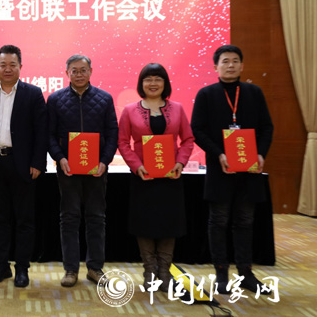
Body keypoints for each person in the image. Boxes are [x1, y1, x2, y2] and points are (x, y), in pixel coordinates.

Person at [191, 45, 273, 294]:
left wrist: (261, 153)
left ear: (242, 65)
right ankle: (221, 274)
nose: (230, 65)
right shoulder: (206, 94)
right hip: (221, 169)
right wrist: (219, 154)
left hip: (249, 170)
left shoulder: (254, 93)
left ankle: (246, 273)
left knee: (245, 221)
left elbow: (267, 127)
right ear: (216, 66)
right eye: (225, 61)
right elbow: (197, 130)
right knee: (218, 221)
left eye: (235, 61)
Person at [0, 45, 47, 288]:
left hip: (23, 165)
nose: (7, 69)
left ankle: (22, 268)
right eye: (3, 65)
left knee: (25, 220)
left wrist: (38, 162)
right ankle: (1, 266)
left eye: (12, 65)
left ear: (20, 67)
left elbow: (41, 132)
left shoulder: (33, 93)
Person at [117, 63, 194, 291]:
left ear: (165, 83)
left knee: (169, 224)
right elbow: (123, 142)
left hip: (171, 177)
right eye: (148, 79)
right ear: (141, 83)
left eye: (158, 79)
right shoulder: (130, 110)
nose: (153, 83)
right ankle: (150, 271)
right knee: (145, 224)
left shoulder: (177, 108)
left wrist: (180, 163)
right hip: (143, 177)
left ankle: (165, 272)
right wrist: (137, 166)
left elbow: (188, 140)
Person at [47, 55, 119, 288]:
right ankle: (71, 269)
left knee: (96, 217)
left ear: (91, 71)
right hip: (68, 169)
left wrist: (105, 161)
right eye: (74, 70)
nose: (79, 74)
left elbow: (112, 132)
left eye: (83, 70)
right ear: (67, 73)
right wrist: (60, 158)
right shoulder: (55, 99)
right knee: (69, 217)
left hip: (96, 169)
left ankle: (95, 268)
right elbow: (49, 134)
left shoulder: (104, 98)